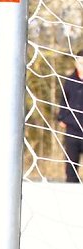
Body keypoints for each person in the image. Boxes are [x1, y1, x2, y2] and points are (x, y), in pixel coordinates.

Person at [58, 50, 83, 182]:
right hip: (72, 128)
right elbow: (63, 100)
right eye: (80, 62)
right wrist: (62, 118)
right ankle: (71, 193)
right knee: (71, 167)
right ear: (76, 63)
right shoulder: (69, 81)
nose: (82, 65)